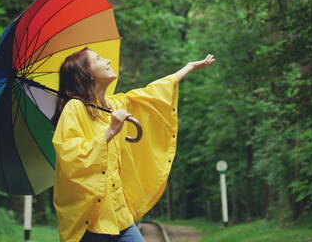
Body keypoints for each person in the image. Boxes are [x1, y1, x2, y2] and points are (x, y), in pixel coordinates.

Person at [51, 47, 215, 242]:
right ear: (87, 74)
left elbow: (151, 94)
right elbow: (70, 156)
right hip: (89, 220)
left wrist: (187, 68)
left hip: (119, 216)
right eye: (98, 58)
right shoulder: (75, 108)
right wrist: (110, 132)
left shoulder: (114, 105)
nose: (107, 61)